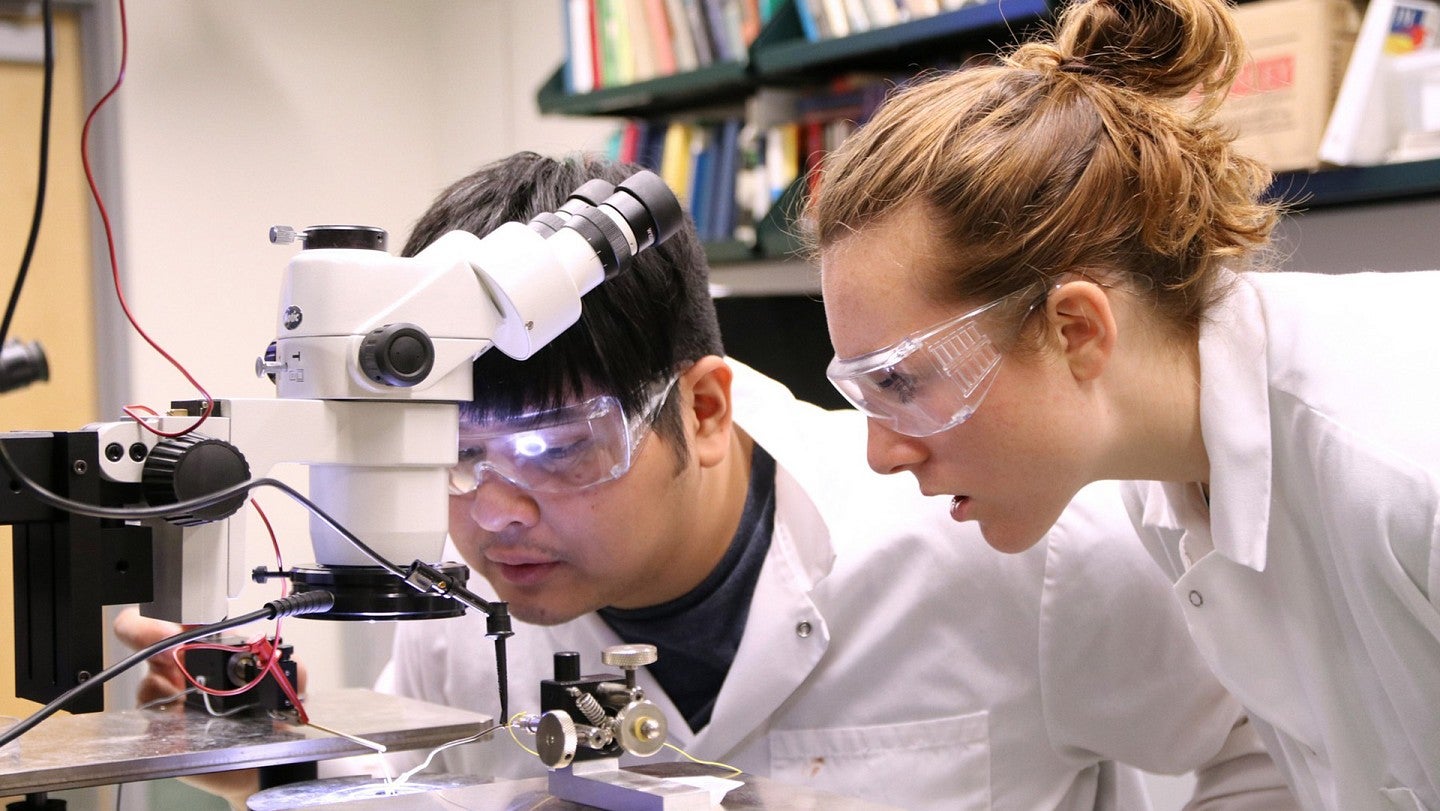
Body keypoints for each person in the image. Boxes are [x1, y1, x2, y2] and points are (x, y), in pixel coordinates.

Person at [119, 152, 1295, 810]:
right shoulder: (456, 620)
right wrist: (277, 758)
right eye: (453, 458)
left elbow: (1266, 751)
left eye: (554, 450)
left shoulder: (1005, 549)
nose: (492, 514)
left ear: (706, 407)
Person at [809, 0, 1440, 809]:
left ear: (1075, 329)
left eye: (902, 382)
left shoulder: (1401, 460)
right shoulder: (1167, 482)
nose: (883, 451)